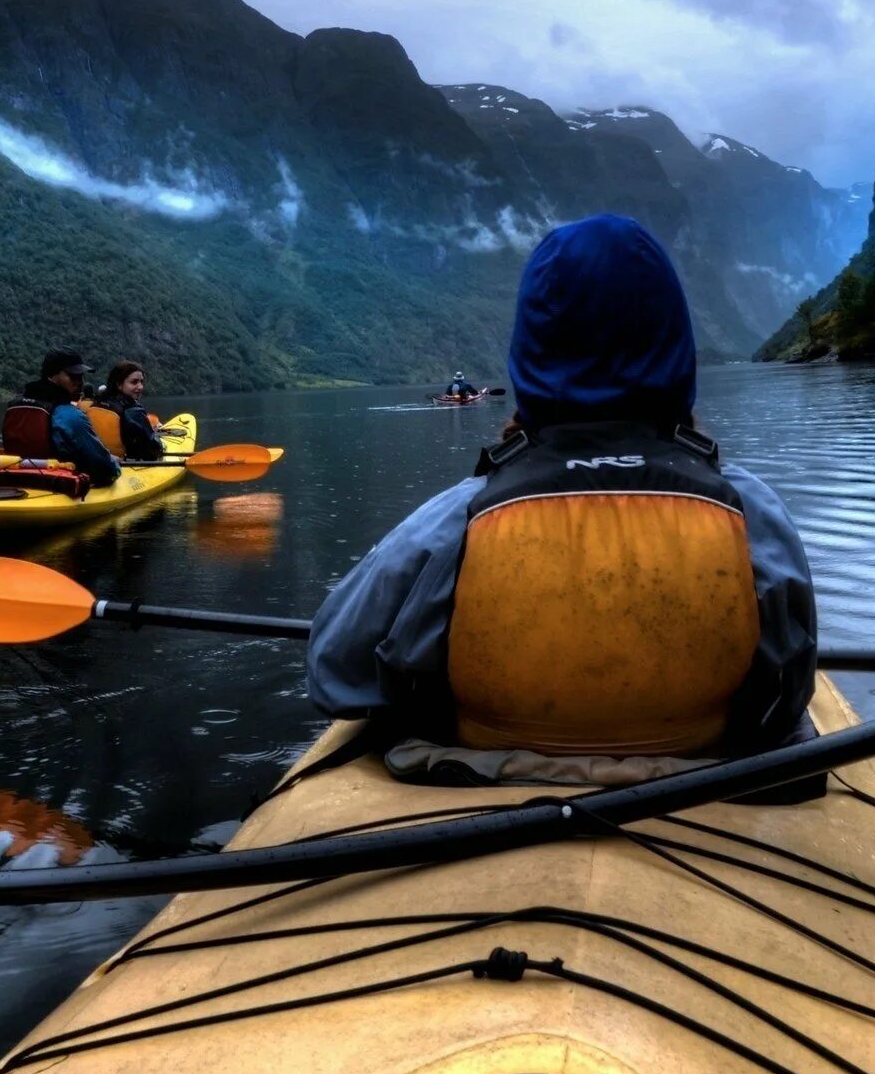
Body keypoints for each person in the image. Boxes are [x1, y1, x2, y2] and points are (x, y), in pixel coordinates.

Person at [306, 213, 816, 760]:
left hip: (483, 778)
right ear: (676, 350)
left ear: (531, 355)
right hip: (705, 776)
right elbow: (788, 689)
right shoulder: (751, 513)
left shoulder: (458, 520)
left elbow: (334, 673)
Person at [3, 350, 120, 488]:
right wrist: (115, 463)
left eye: (81, 376)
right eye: (73, 376)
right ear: (52, 375)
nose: (80, 382)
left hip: (13, 480)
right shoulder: (71, 416)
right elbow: (105, 468)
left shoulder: (14, 406)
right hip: (55, 485)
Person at [92, 361, 167, 461]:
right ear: (119, 384)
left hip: (100, 460)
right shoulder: (132, 410)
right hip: (127, 463)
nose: (140, 387)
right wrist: (160, 443)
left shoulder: (97, 402)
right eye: (134, 382)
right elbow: (154, 448)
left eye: (141, 382)